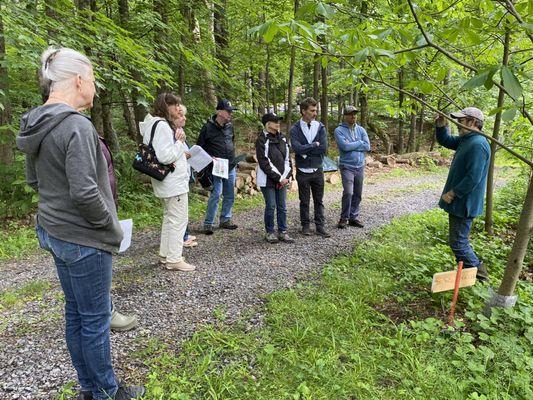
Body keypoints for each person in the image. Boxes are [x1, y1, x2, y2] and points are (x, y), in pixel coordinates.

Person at [16, 47, 144, 400]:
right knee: (96, 319)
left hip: (54, 230)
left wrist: (57, 210)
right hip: (84, 239)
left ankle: (90, 387)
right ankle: (105, 392)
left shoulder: (35, 121)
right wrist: (111, 228)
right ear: (77, 80)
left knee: (77, 313)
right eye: (92, 79)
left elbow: (34, 181)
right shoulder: (75, 125)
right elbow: (86, 193)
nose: (94, 87)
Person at [139, 93, 196, 272]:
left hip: (164, 181)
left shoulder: (153, 123)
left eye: (179, 104)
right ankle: (174, 259)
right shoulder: (162, 125)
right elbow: (165, 156)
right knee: (178, 220)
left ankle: (166, 255)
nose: (178, 108)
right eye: (174, 105)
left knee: (169, 219)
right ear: (165, 106)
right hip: (173, 182)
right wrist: (180, 143)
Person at [435, 107, 490, 282]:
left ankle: (479, 276)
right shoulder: (467, 139)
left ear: (473, 122)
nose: (458, 124)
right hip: (461, 202)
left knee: (458, 243)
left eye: (461, 121)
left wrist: (453, 193)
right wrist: (441, 125)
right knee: (458, 241)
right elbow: (445, 140)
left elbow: (473, 177)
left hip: (464, 202)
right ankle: (468, 274)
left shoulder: (478, 144)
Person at [98, 136, 139, 332]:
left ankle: (104, 310)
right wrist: (107, 221)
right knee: (95, 273)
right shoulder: (76, 128)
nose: (92, 102)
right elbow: (84, 191)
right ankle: (106, 313)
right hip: (91, 225)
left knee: (77, 300)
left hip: (75, 224)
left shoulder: (43, 125)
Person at [289, 97, 330, 237]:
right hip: (302, 171)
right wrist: (313, 145)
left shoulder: (320, 127)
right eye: (312, 110)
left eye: (316, 110)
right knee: (304, 201)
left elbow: (323, 148)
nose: (315, 113)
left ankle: (320, 226)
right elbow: (297, 149)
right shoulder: (295, 129)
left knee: (319, 200)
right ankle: (305, 226)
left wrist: (306, 150)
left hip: (317, 169)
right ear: (303, 111)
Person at [197, 99, 238, 235]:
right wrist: (210, 159)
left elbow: (232, 142)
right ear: (219, 112)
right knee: (216, 194)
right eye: (228, 111)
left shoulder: (230, 127)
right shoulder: (207, 128)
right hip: (216, 167)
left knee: (229, 194)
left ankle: (225, 219)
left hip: (230, 166)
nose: (230, 114)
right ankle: (208, 223)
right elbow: (199, 149)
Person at [256, 113, 294, 243]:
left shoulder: (282, 138)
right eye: (275, 121)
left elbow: (288, 159)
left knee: (282, 206)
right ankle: (270, 232)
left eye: (278, 121)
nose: (278, 123)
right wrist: (279, 178)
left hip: (282, 179)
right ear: (268, 124)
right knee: (271, 206)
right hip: (268, 179)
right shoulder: (262, 139)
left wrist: (287, 176)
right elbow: (264, 162)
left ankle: (283, 231)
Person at [334, 106, 370, 229]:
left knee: (358, 193)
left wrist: (353, 144)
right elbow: (344, 147)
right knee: (348, 192)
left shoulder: (361, 130)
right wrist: (360, 142)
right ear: (345, 116)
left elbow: (367, 146)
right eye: (350, 114)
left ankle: (353, 217)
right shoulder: (339, 130)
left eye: (354, 114)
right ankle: (344, 218)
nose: (353, 116)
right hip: (347, 166)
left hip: (360, 166)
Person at [174, 104, 198, 248]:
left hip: (185, 174)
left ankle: (185, 234)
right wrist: (185, 154)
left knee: (184, 209)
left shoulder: (181, 131)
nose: (184, 118)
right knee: (178, 213)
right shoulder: (173, 132)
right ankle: (182, 238)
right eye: (181, 115)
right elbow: (171, 153)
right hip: (177, 178)